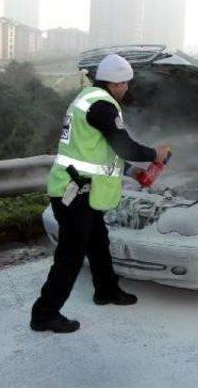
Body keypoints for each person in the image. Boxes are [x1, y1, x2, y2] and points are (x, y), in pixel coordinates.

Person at [30, 54, 171, 333]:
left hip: (81, 189)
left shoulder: (87, 99)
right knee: (70, 256)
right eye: (125, 83)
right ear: (115, 83)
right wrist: (156, 154)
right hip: (75, 192)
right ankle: (44, 314)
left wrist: (131, 172)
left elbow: (100, 151)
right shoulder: (103, 106)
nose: (127, 89)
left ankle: (106, 290)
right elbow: (125, 146)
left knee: (98, 241)